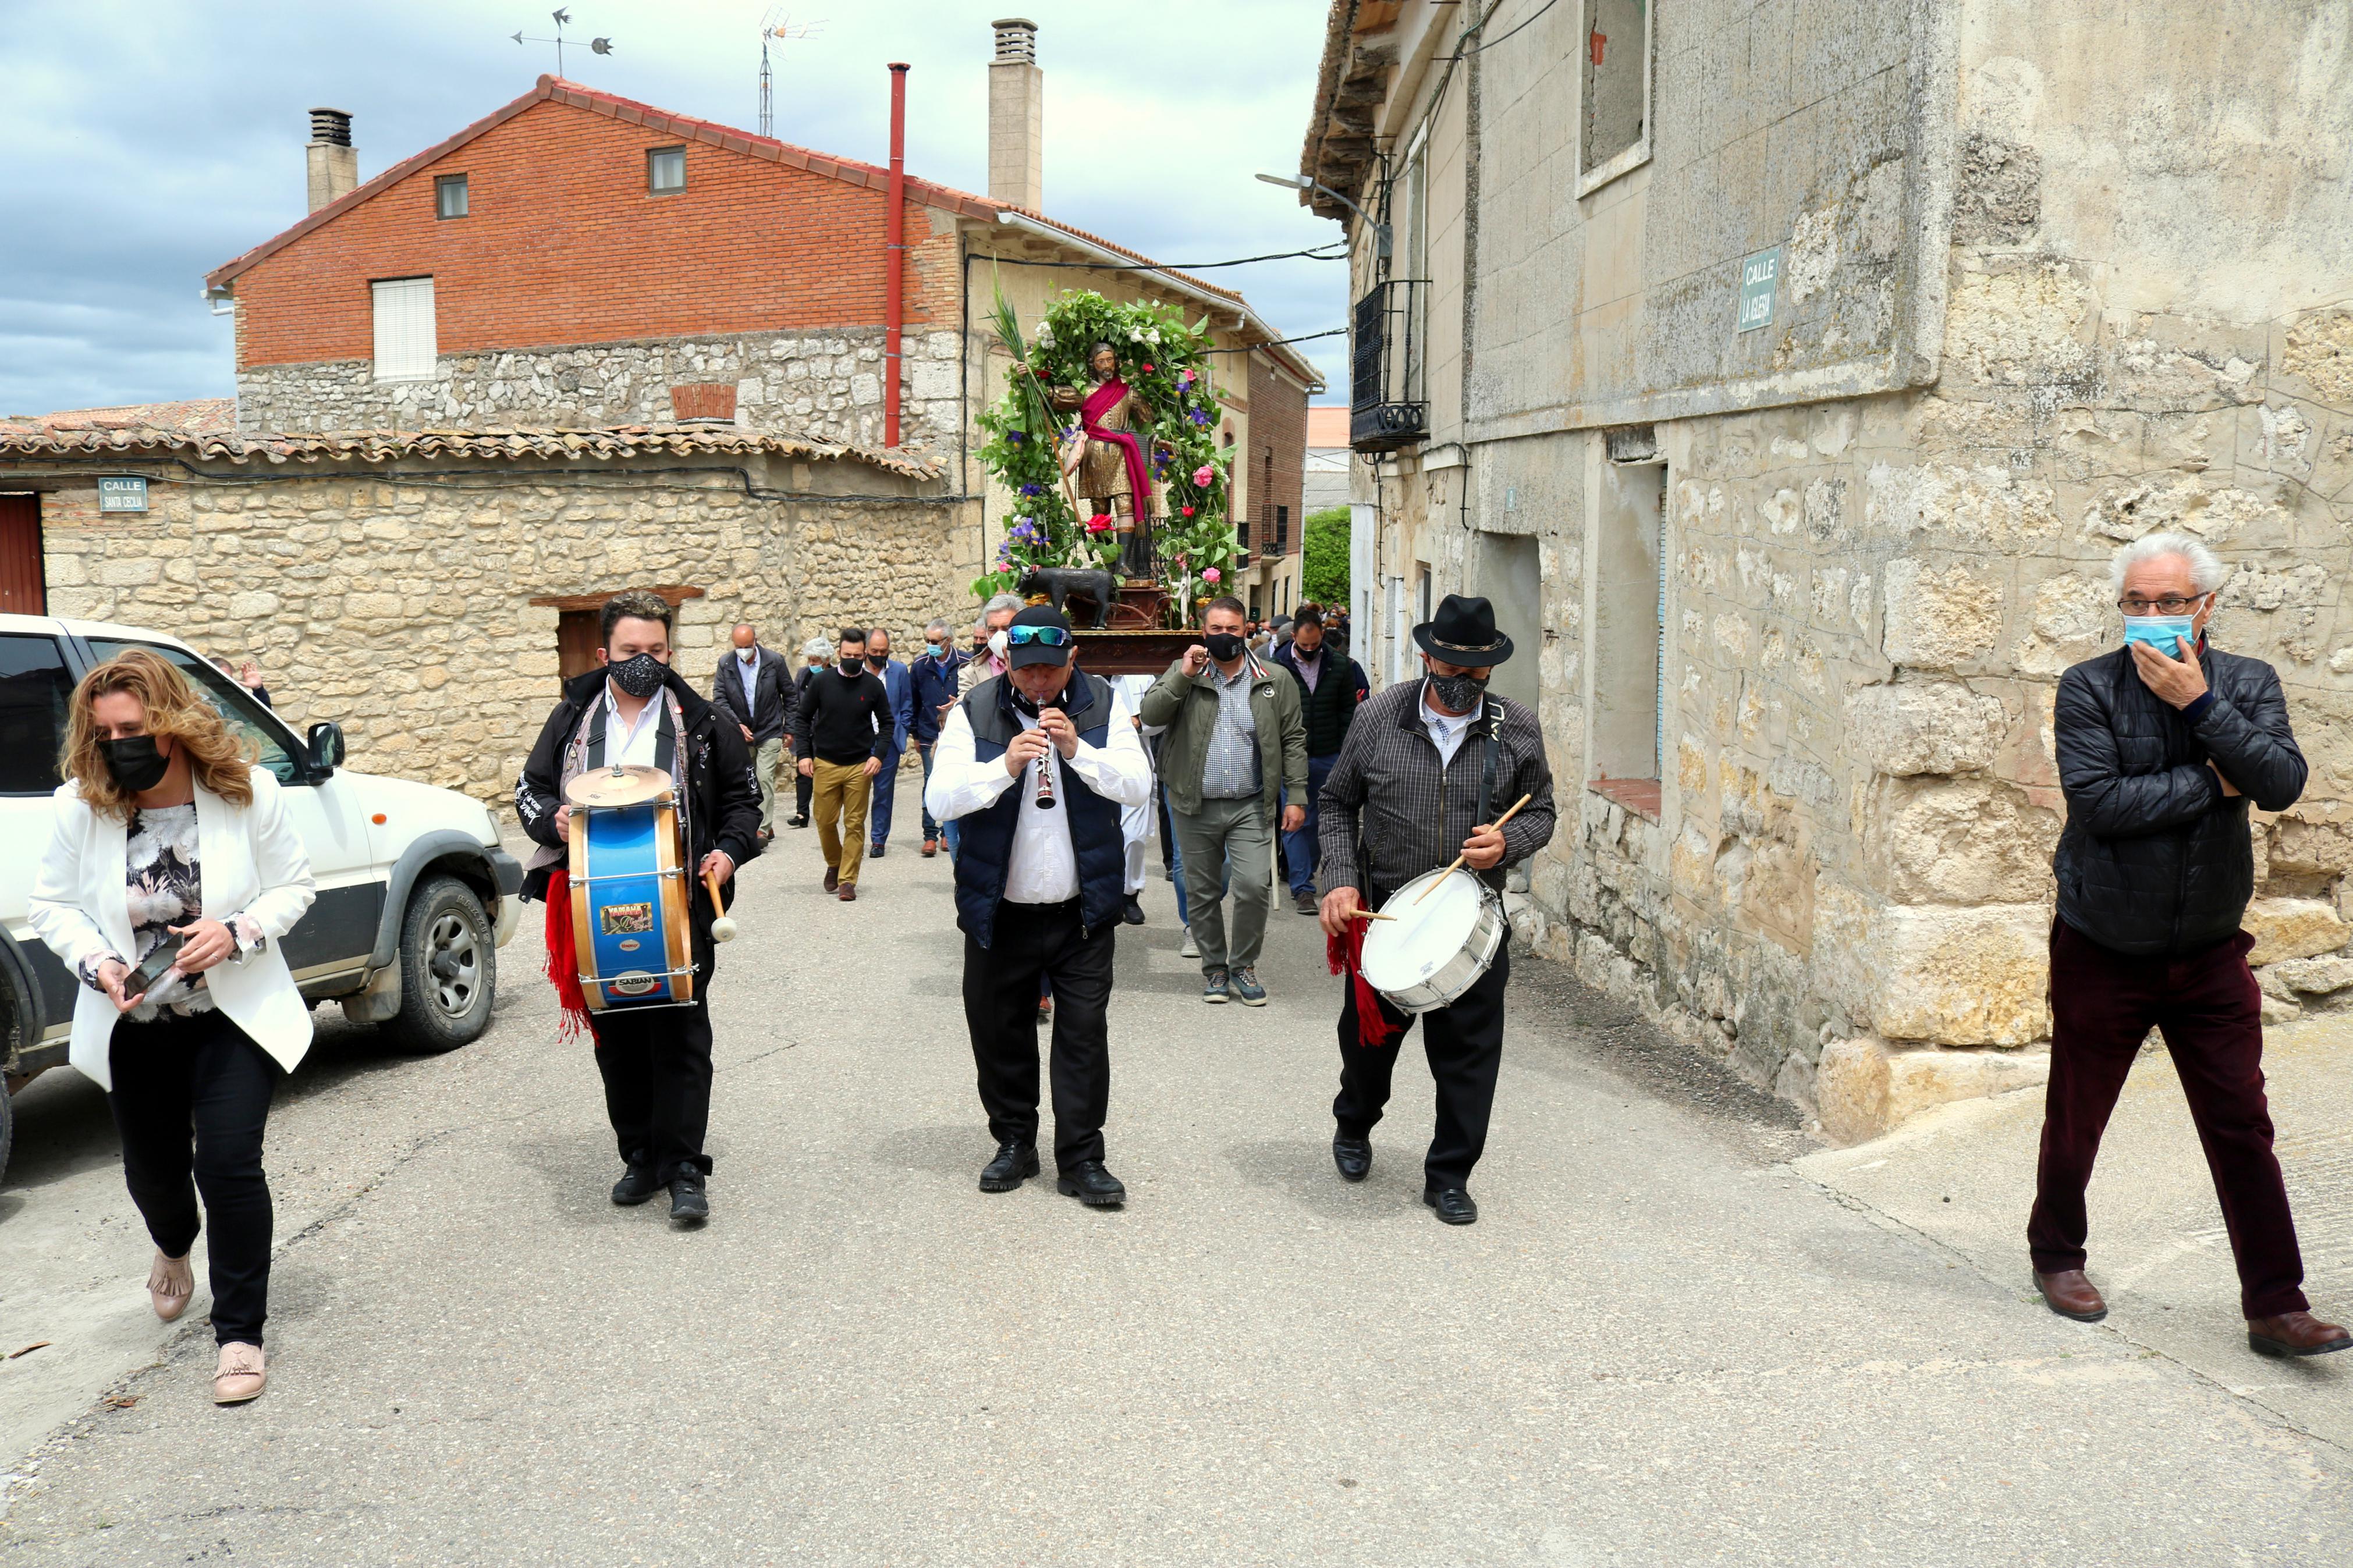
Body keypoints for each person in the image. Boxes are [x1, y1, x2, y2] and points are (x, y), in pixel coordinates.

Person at [2032, 533, 2347, 1357]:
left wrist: (2201, 706)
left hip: (2208, 949)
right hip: (2102, 941)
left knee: (2241, 1123)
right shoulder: (2086, 688)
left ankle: (2274, 1305)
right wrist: (2212, 780)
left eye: (2167, 601)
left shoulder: (2246, 683)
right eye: (2134, 602)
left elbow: (2279, 782)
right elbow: (2098, 803)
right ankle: (2055, 1253)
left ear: (2204, 604)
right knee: (2076, 1113)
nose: (2149, 616)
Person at [30, 649, 319, 1404]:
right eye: (106, 731)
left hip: (229, 1012)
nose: (120, 741)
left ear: (173, 721)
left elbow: (295, 884)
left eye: (135, 725)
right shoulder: (81, 804)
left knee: (227, 1164)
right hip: (135, 1021)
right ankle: (171, 1240)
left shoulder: (246, 791)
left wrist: (240, 928)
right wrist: (99, 963)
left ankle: (239, 1333)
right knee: (154, 1175)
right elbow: (51, 905)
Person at [515, 590, 761, 1226]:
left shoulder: (701, 722)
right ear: (604, 653)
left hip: (678, 900)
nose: (643, 662)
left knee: (680, 1035)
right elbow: (529, 790)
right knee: (617, 1037)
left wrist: (728, 854)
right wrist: (554, 820)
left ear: (669, 651)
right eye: (630, 651)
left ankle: (683, 1167)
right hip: (593, 903)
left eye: (655, 651)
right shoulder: (572, 717)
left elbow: (742, 804)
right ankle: (640, 1155)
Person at [1318, 594, 1556, 1226]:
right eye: (1450, 673)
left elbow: (1541, 811)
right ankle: (1354, 1125)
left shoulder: (1517, 726)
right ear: (1427, 658)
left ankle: (1449, 1174)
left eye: (1476, 678)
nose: (1463, 688)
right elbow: (1337, 803)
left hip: (1473, 922)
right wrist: (1339, 881)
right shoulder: (1379, 718)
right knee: (1366, 1051)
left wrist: (1509, 841)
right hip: (1386, 918)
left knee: (1468, 1059)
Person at [924, 605, 1152, 1207]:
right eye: (1026, 671)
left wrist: (1081, 753)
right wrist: (1002, 766)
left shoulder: (1100, 705)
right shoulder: (975, 711)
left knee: (1081, 1038)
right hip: (1001, 911)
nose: (1038, 682)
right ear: (1007, 663)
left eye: (1050, 669)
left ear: (1072, 659)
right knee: (999, 1034)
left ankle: (1081, 1158)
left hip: (1081, 912)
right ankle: (1014, 1142)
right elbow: (940, 798)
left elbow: (1137, 786)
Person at [1139, 596, 1307, 1006]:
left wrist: (1297, 794)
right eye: (1216, 629)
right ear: (1204, 631)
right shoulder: (1187, 673)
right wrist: (1183, 674)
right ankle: (1215, 969)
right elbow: (1149, 715)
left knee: (1252, 886)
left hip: (1250, 802)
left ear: (1246, 630)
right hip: (1193, 803)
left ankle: (1243, 965)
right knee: (1201, 890)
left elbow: (1292, 739)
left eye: (1232, 628)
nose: (1224, 636)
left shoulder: (1274, 678)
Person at [1273, 605, 1371, 917]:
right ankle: (1303, 888)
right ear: (1294, 639)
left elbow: (1349, 711)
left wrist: (1344, 750)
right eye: (1305, 646)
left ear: (1322, 636)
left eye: (1315, 644)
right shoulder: (1277, 667)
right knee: (1295, 820)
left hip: (1331, 756)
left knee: (1322, 821)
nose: (1311, 650)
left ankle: (1308, 869)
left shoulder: (1341, 666)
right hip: (1292, 756)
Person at [793, 627, 893, 901]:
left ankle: (848, 880)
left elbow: (887, 724)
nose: (852, 659)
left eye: (858, 655)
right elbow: (802, 719)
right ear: (838, 653)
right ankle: (835, 863)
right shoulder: (822, 682)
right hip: (825, 762)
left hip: (860, 765)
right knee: (824, 821)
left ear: (864, 655)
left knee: (855, 823)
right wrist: (803, 755)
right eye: (847, 654)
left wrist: (878, 755)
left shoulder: (873, 686)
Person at [708, 622, 797, 847]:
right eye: (739, 646)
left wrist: (790, 728)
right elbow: (720, 698)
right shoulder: (726, 663)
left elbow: (789, 695)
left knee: (764, 777)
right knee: (748, 782)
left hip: (770, 729)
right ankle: (758, 821)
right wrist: (736, 725)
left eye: (747, 645)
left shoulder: (773, 662)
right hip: (741, 734)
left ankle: (761, 830)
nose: (743, 650)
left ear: (756, 641)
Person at [910, 617, 966, 858]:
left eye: (935, 641)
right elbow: (913, 701)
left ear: (948, 641)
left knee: (954, 781)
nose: (930, 645)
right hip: (929, 733)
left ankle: (948, 832)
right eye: (927, 641)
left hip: (957, 733)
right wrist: (915, 734)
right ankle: (930, 835)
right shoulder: (920, 665)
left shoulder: (965, 662)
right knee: (931, 781)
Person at [1110, 672, 1160, 925]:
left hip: (1134, 763)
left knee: (1133, 836)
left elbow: (1161, 717)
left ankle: (1128, 895)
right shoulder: (1080, 674)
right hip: (1091, 761)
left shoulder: (1141, 676)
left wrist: (1138, 723)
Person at [861, 627, 915, 861]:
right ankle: (854, 837)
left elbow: (906, 704)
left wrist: (900, 732)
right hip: (859, 742)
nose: (879, 655)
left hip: (888, 743)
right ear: (865, 650)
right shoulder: (855, 672)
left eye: (884, 651)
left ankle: (878, 840)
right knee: (857, 793)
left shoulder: (900, 671)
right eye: (875, 650)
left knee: (883, 793)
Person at [787, 637, 831, 828]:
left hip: (827, 733)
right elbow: (796, 703)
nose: (811, 664)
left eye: (815, 661)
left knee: (825, 774)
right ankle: (802, 813)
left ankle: (827, 813)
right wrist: (793, 730)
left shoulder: (834, 677)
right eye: (810, 660)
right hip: (807, 731)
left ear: (826, 660)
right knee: (803, 772)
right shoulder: (804, 675)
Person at [208, 654, 272, 709]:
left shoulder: (234, 698)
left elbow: (263, 716)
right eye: (220, 678)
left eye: (228, 678)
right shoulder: (202, 701)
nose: (224, 682)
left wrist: (258, 689)